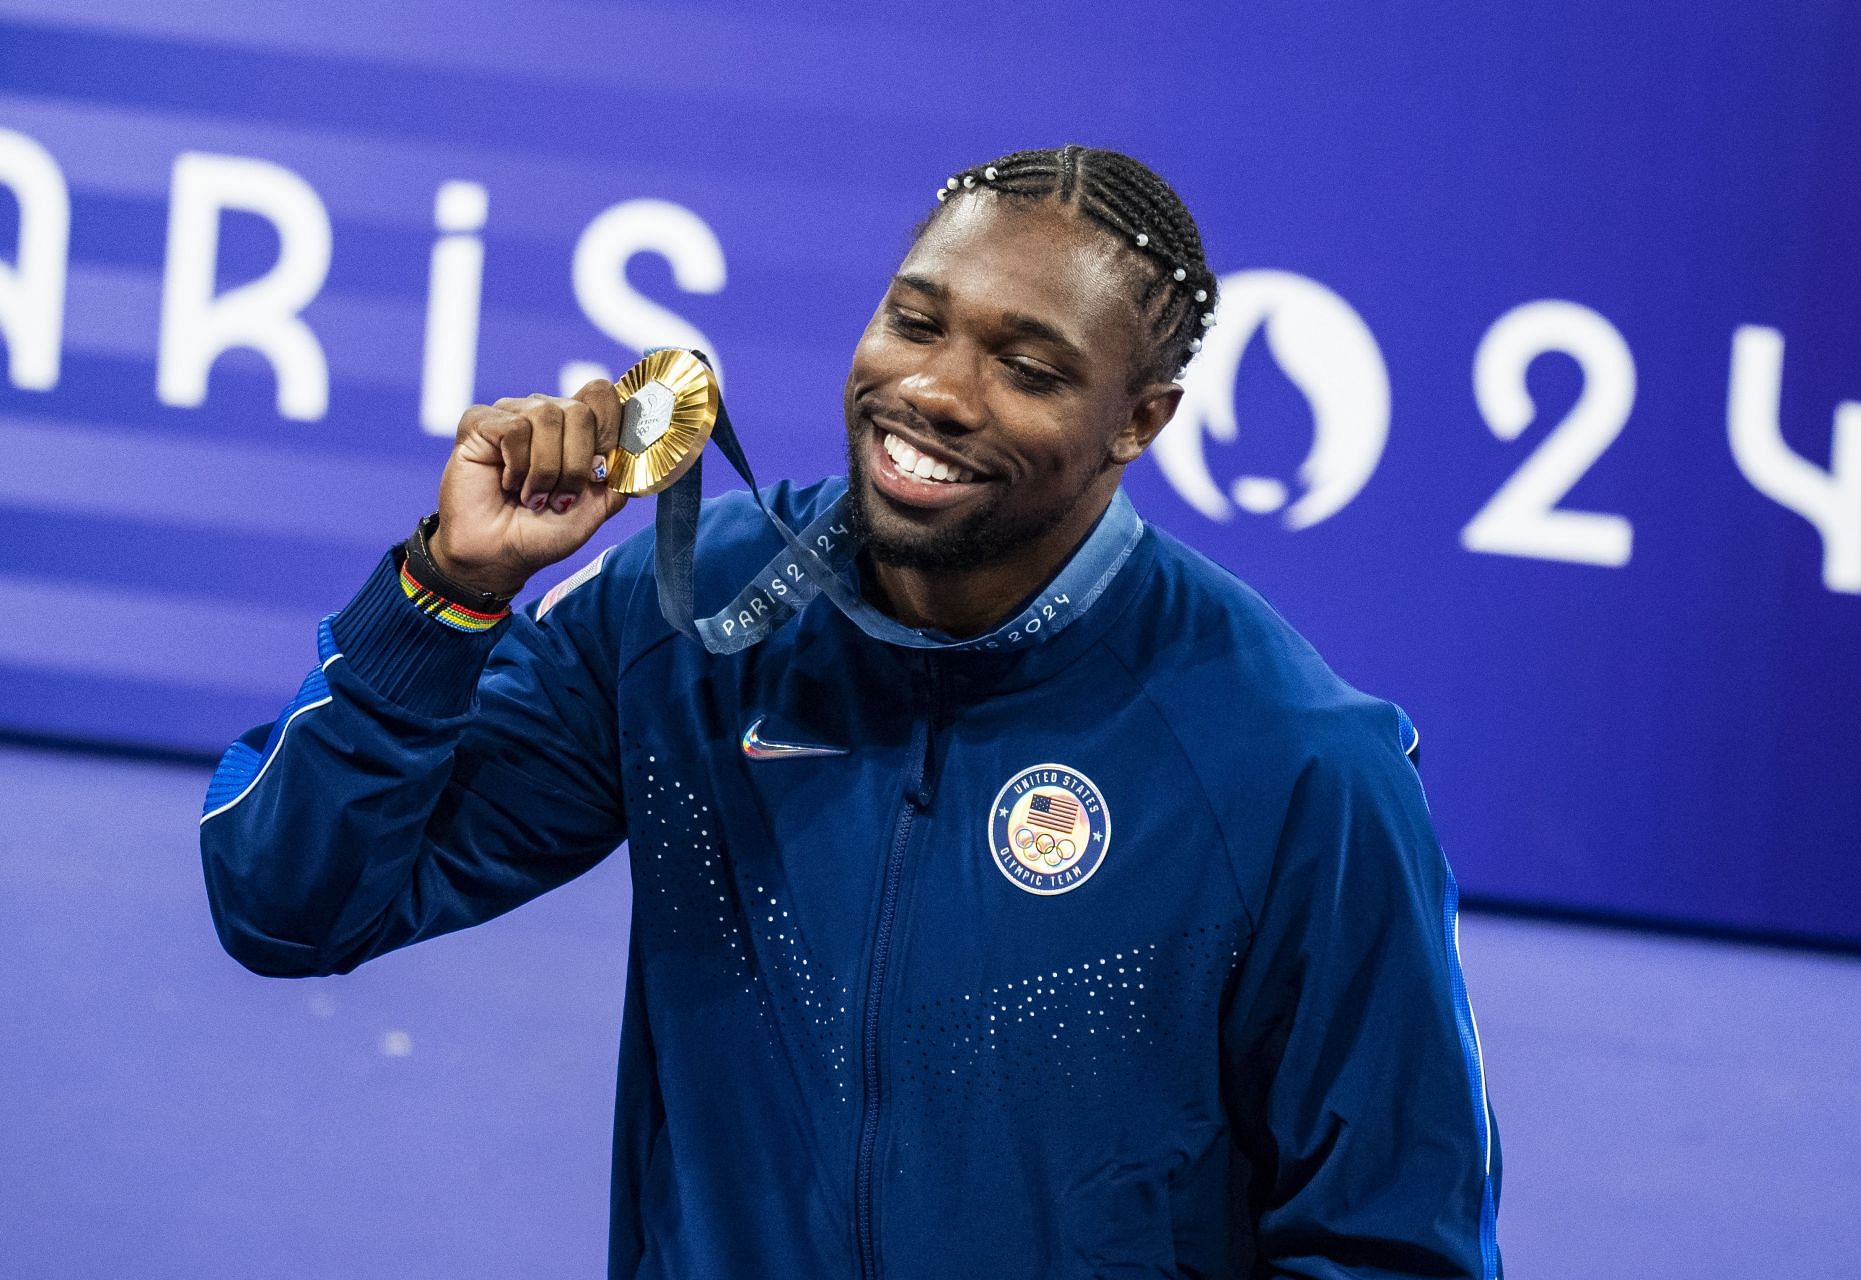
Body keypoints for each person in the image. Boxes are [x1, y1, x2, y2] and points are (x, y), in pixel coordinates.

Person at [200, 145, 1501, 1279]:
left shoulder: (1293, 764)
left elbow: (1392, 1246)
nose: (936, 390)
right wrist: (449, 591)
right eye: (916, 321)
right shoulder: (683, 623)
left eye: (1030, 366)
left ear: (1137, 423)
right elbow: (292, 903)